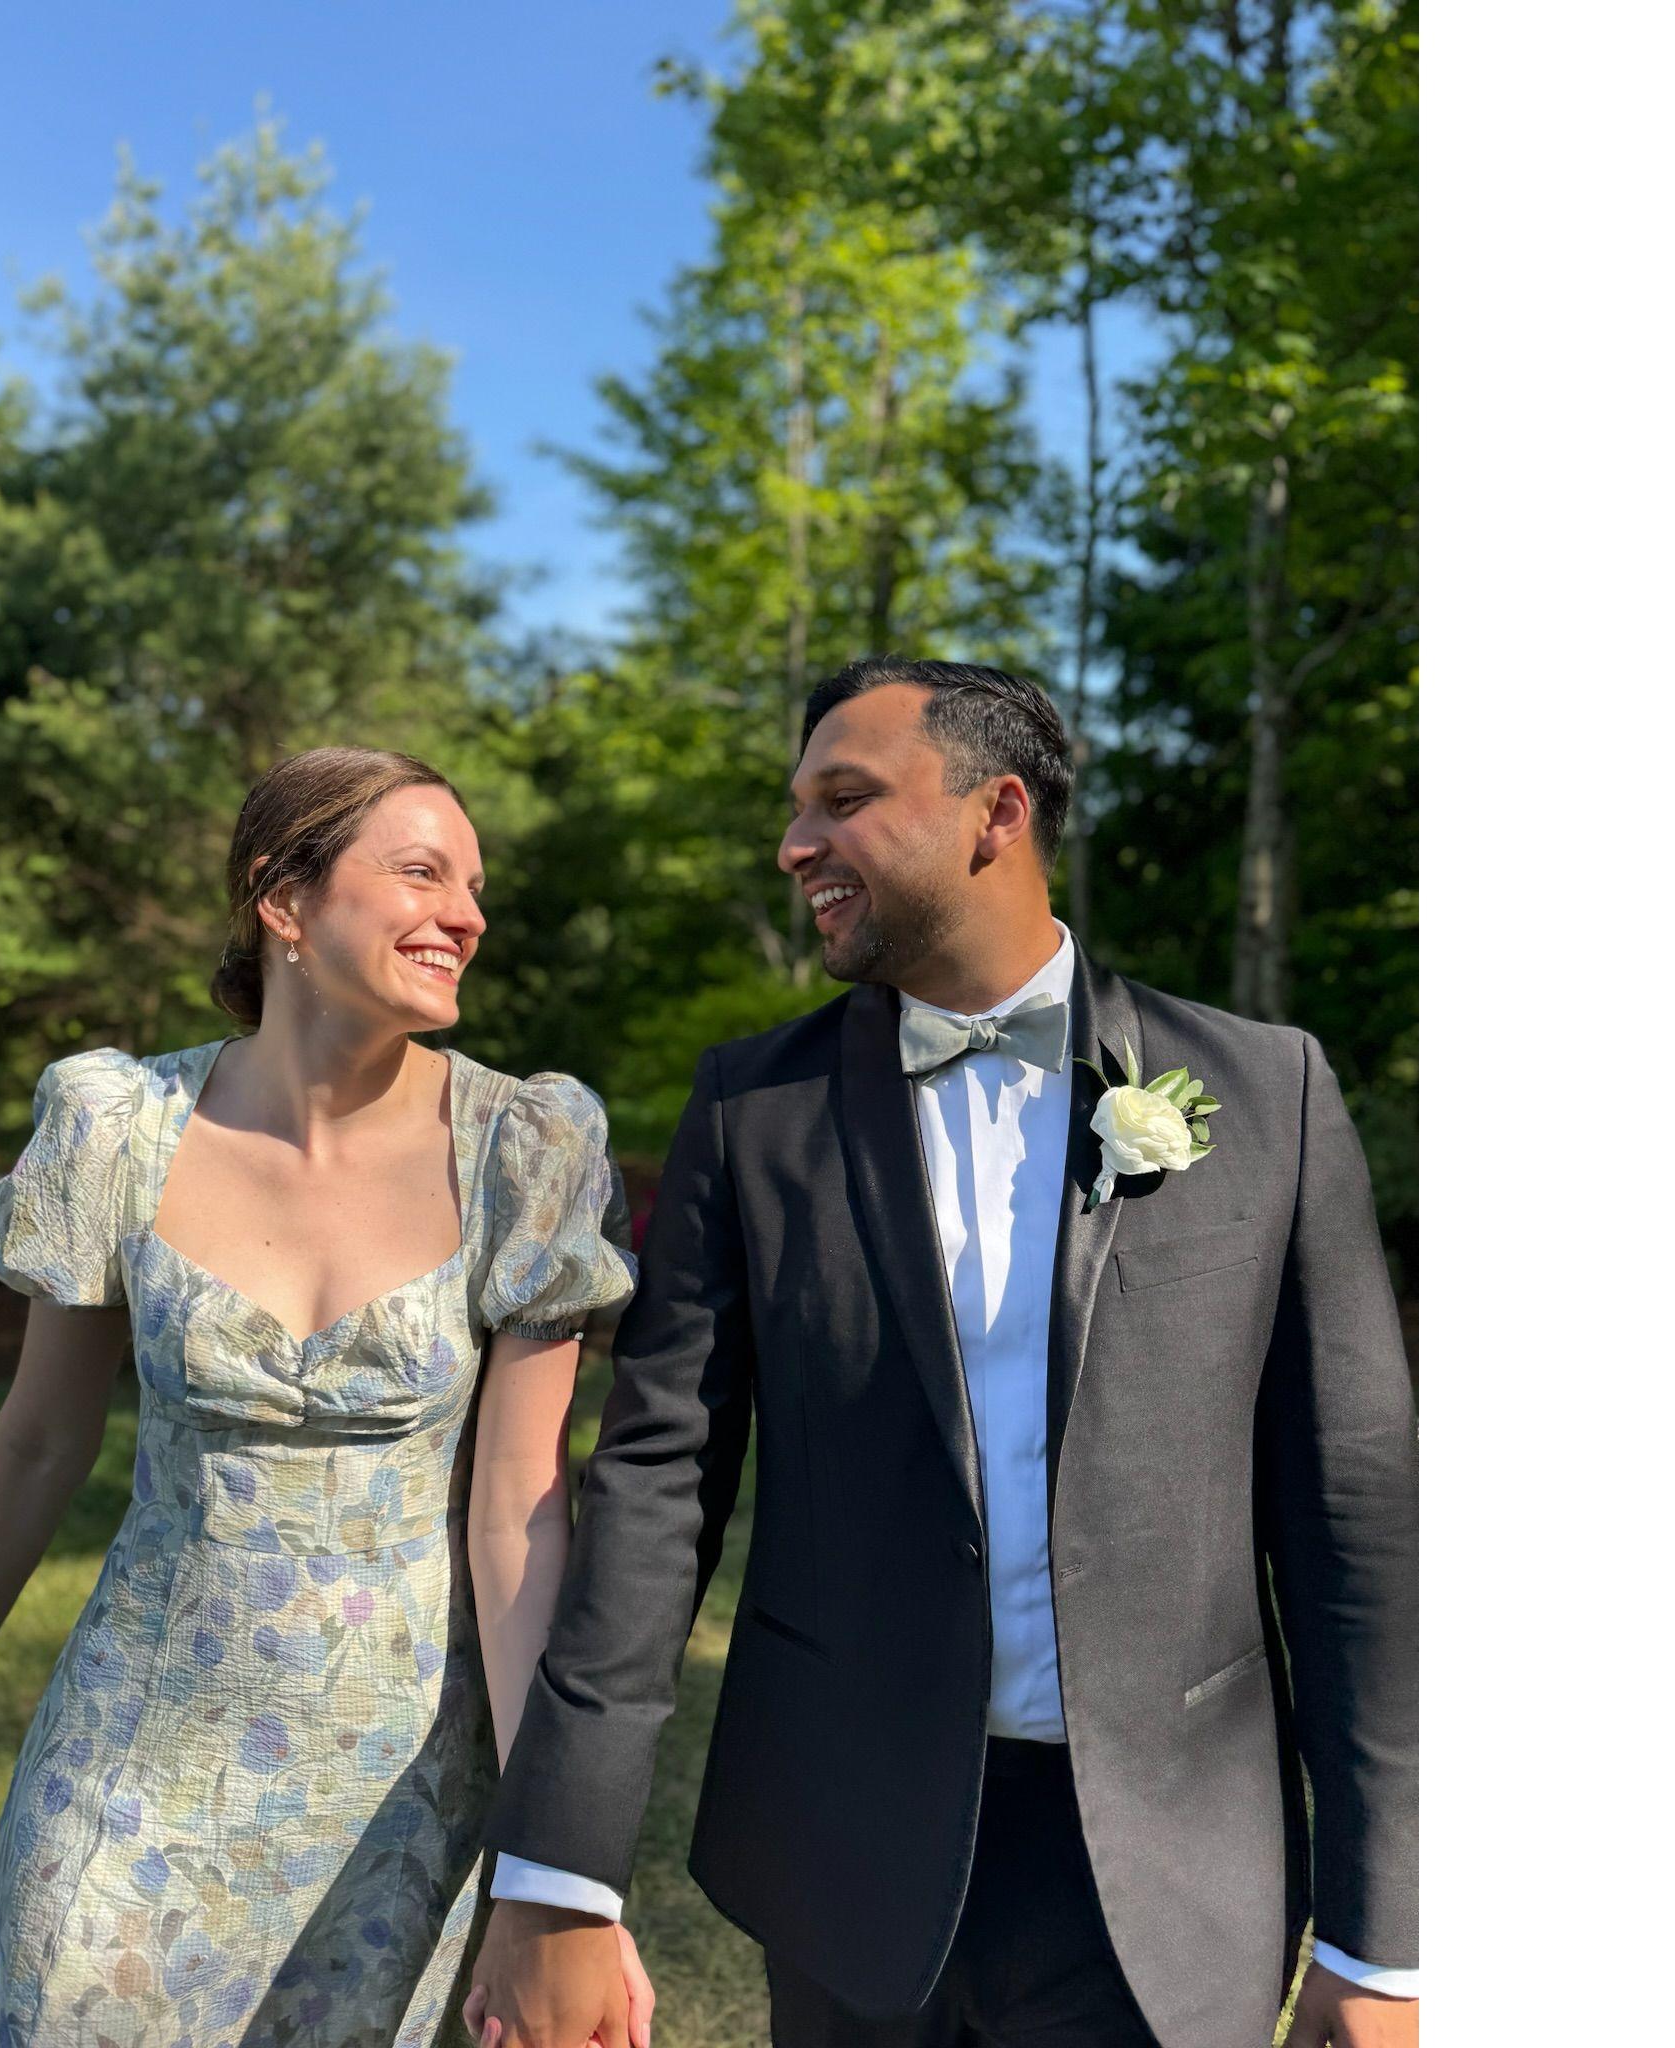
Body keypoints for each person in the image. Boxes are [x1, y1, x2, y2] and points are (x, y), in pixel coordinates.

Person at [468, 661, 1418, 2048]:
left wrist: (1384, 1943)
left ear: (998, 813)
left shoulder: (1270, 1093)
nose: (796, 844)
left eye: (843, 800)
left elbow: (1357, 1521)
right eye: (796, 807)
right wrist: (561, 1872)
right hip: (845, 1857)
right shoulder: (752, 1111)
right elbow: (658, 1490)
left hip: (1172, 1874)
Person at [0, 746, 653, 2048]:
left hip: (398, 1789)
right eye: (423, 872)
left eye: (475, 886)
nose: (468, 915)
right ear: (282, 899)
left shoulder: (527, 1148)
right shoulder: (116, 1125)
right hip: (131, 1752)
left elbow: (520, 1514)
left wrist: (549, 1864)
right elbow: (37, 1442)